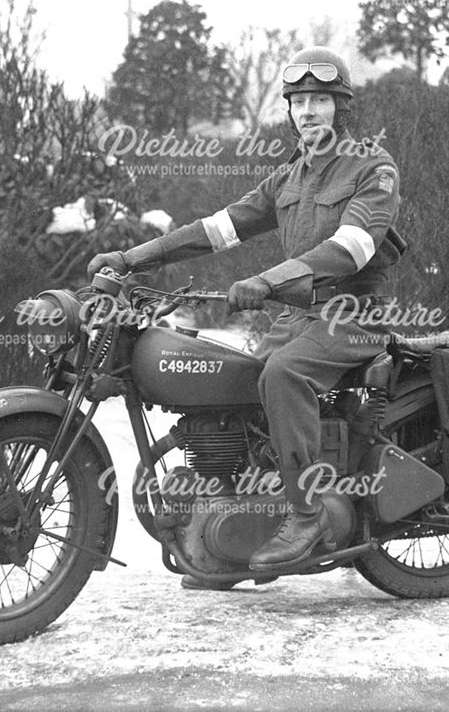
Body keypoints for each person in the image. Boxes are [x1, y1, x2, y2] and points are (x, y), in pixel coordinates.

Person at [88, 46, 404, 584]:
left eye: (320, 100)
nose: (307, 111)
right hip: (300, 319)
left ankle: (306, 518)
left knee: (283, 374)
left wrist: (268, 280)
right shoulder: (290, 178)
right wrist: (132, 259)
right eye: (299, 101)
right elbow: (216, 229)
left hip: (353, 316)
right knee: (235, 387)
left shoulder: (372, 169)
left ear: (341, 108)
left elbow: (351, 248)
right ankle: (234, 539)